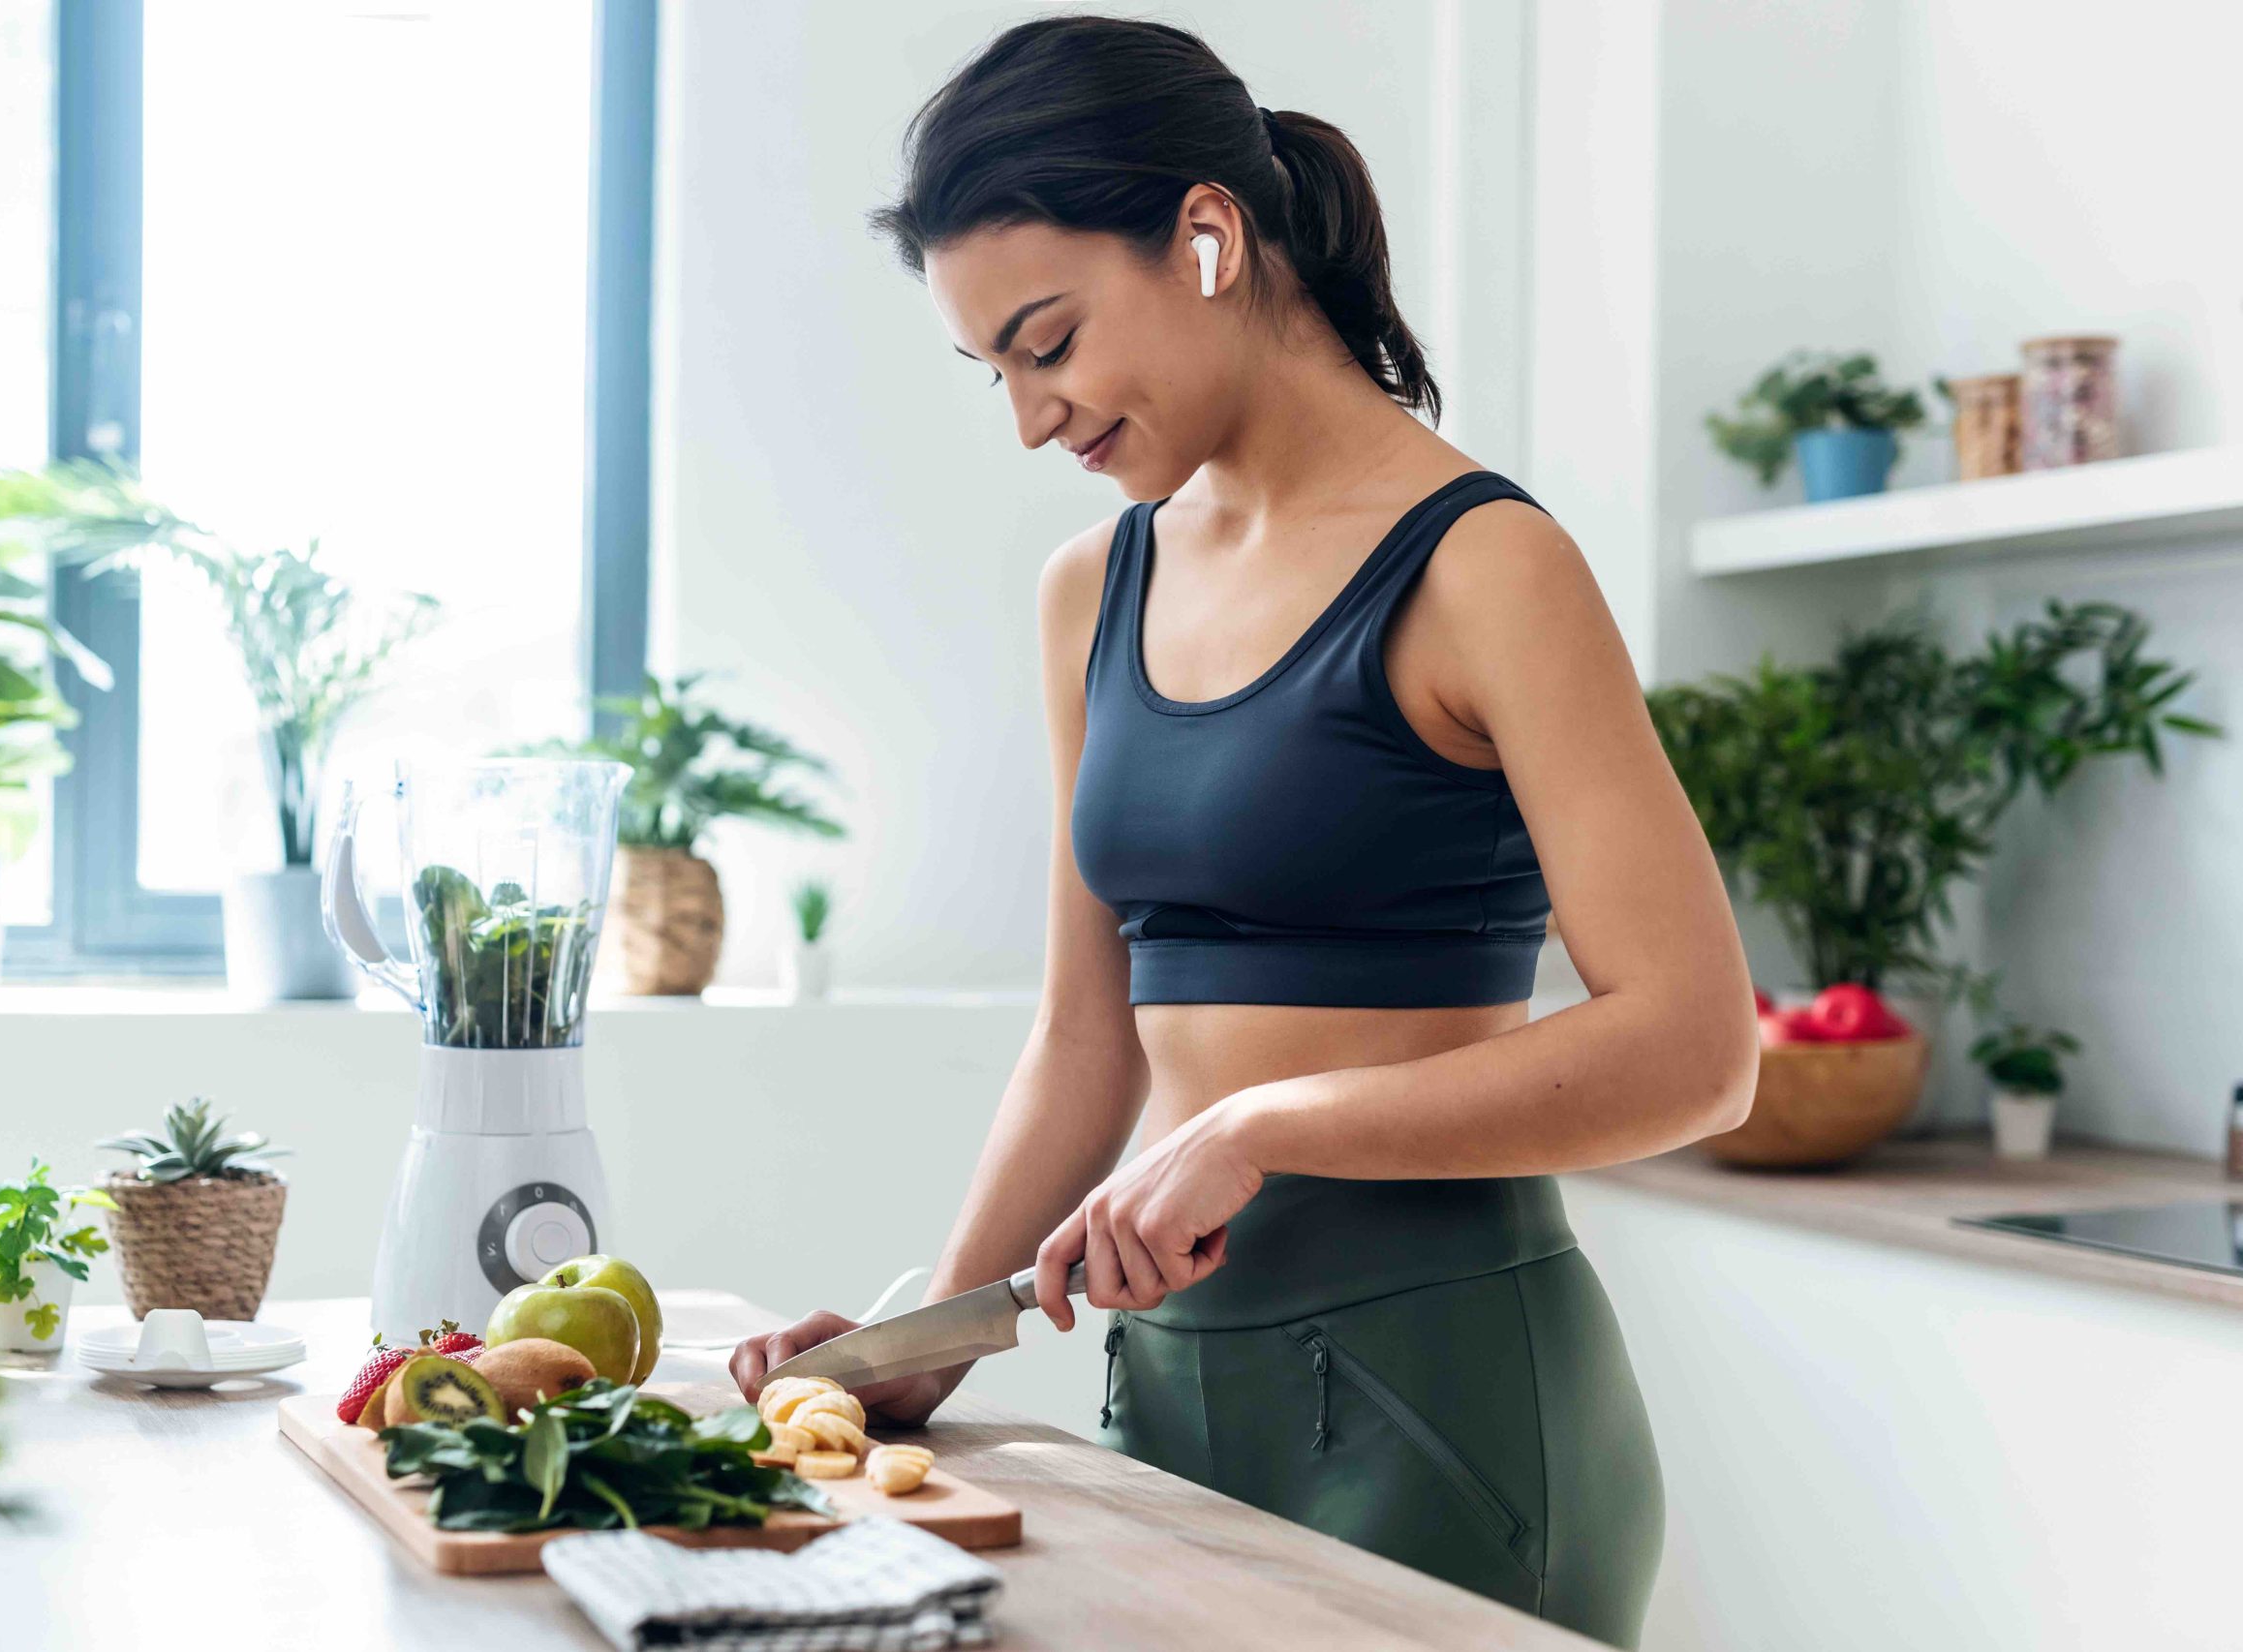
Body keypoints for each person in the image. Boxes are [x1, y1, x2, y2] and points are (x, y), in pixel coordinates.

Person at [729, 17, 1755, 1647]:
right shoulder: (1094, 590)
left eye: (1048, 340)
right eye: (993, 367)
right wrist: (934, 1327)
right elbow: (1085, 1039)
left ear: (1207, 237)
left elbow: (1699, 1048)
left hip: (1451, 1412)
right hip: (1171, 1405)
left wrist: (1266, 1119)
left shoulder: (1485, 567)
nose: (1030, 416)